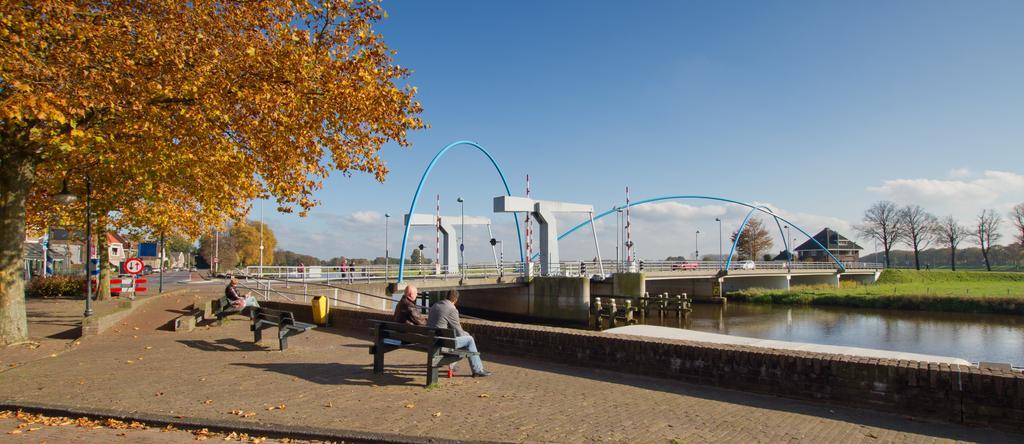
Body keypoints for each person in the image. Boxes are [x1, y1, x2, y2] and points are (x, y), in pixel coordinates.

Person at [427, 290, 491, 377]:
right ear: (456, 299)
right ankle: (478, 370)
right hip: (442, 342)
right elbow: (459, 331)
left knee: (460, 340)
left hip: (430, 340)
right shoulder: (452, 309)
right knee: (470, 340)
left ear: (447, 296)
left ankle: (452, 365)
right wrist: (468, 334)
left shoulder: (435, 305)